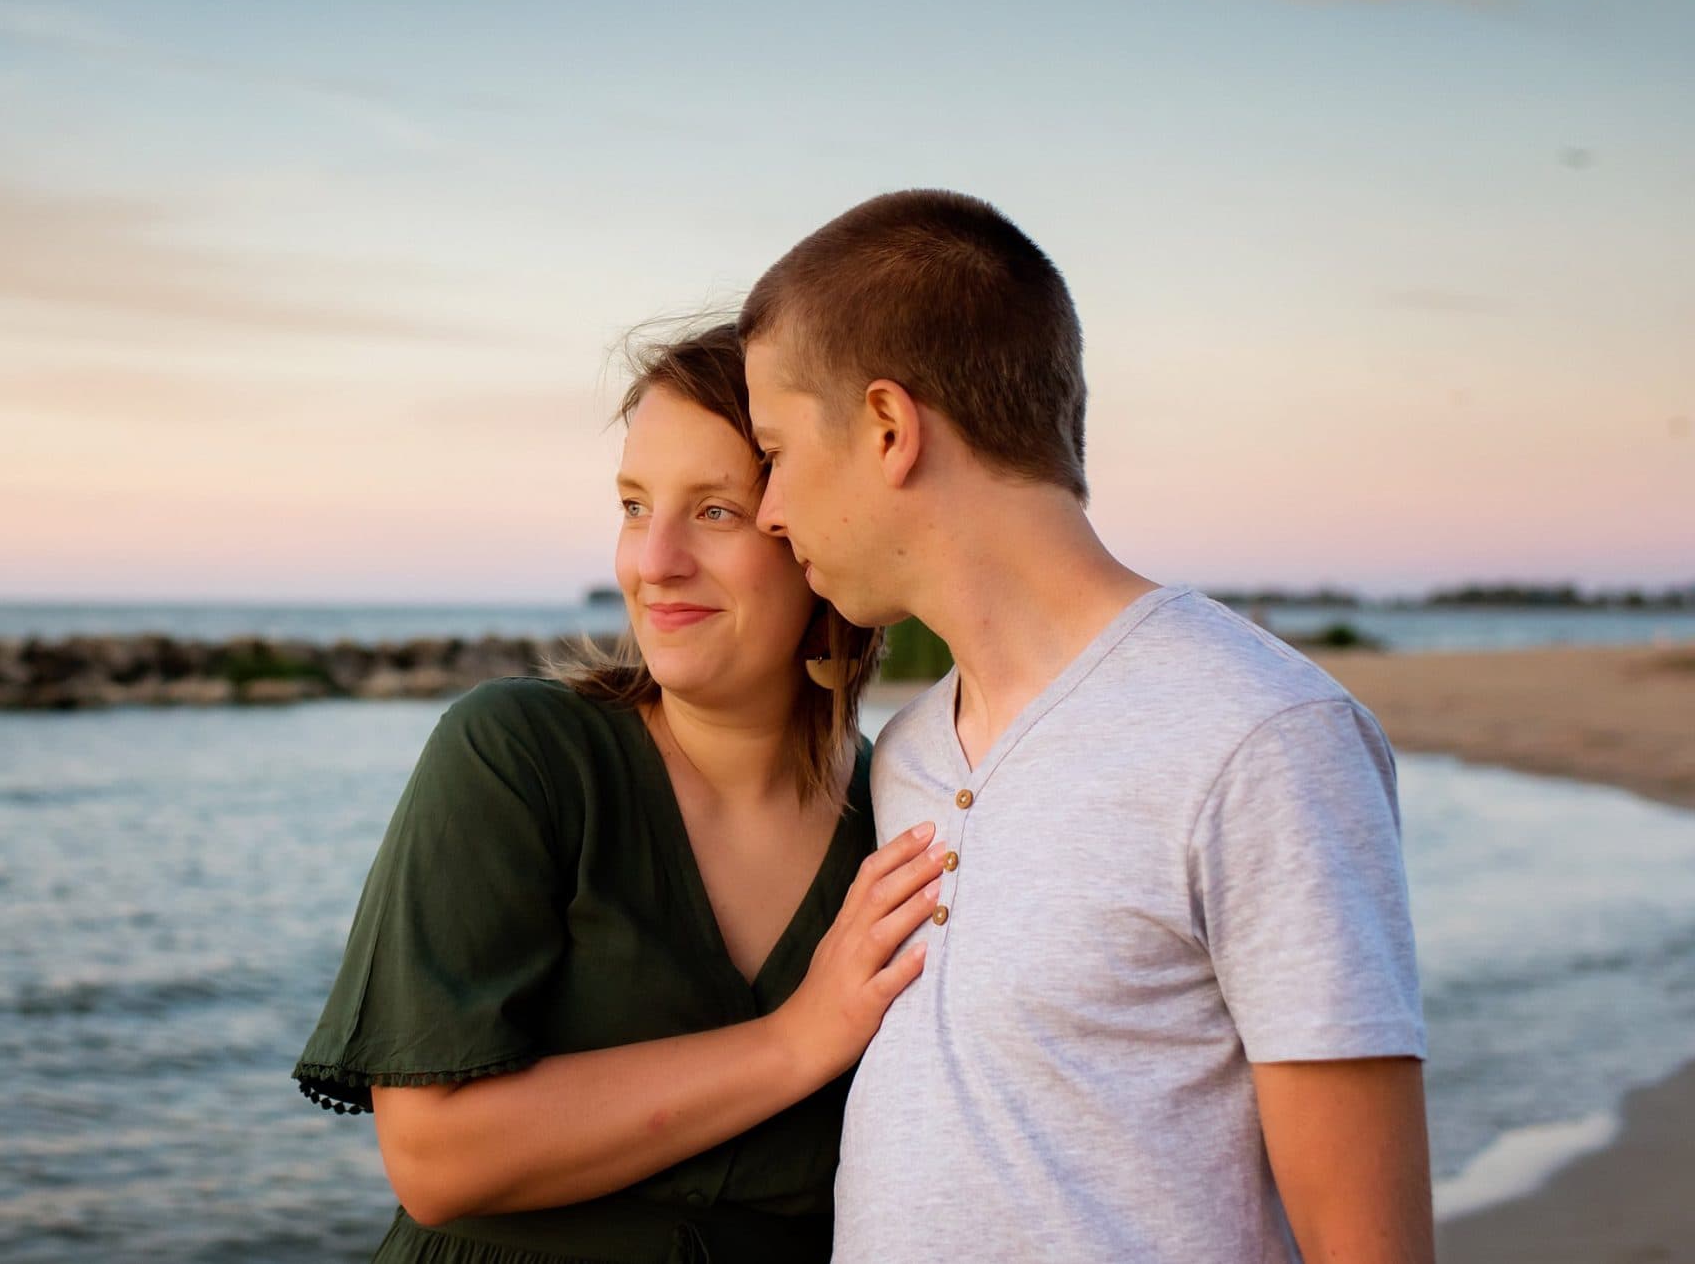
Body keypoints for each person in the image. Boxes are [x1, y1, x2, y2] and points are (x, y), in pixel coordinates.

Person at [739, 190, 1432, 1264]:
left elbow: (1368, 1244)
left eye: (775, 451)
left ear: (887, 428)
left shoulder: (1258, 738)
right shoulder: (912, 754)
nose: (770, 510)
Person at [293, 321, 949, 1262]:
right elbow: (436, 1158)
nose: (652, 562)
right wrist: (797, 1040)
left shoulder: (902, 819)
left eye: (715, 510)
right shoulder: (517, 756)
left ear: (814, 532)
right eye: (636, 506)